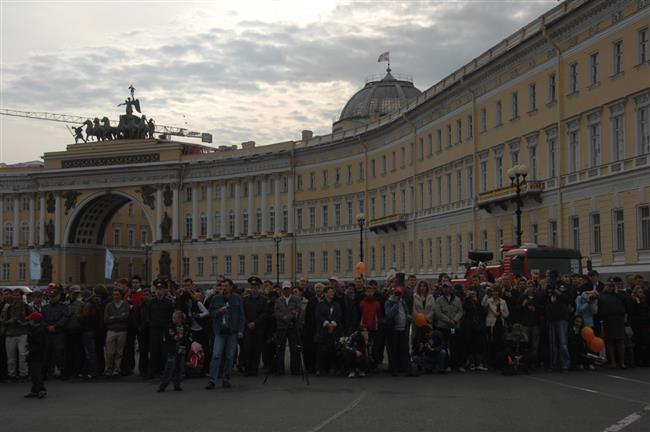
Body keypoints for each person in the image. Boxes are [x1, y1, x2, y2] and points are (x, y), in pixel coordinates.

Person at [206, 279, 244, 389]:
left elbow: (241, 315)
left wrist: (241, 330)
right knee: (216, 355)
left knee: (229, 356)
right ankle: (212, 380)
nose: (224, 288)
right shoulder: (216, 298)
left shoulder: (237, 298)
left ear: (231, 287)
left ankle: (226, 379)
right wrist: (219, 312)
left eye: (226, 286)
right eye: (222, 286)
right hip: (220, 331)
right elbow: (211, 313)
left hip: (232, 331)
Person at [1, 288, 31, 381]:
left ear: (21, 296)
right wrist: (9, 321)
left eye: (17, 295)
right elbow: (3, 321)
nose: (15, 297)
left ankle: (23, 374)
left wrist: (23, 323)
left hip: (22, 333)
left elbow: (32, 319)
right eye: (14, 295)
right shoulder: (8, 308)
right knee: (11, 357)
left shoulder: (26, 307)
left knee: (23, 356)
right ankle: (11, 374)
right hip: (10, 333)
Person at [434, 282, 464, 372]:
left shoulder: (457, 299)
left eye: (448, 288)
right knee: (444, 347)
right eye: (444, 288)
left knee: (456, 346)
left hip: (455, 326)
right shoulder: (439, 299)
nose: (446, 289)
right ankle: (447, 365)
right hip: (443, 326)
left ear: (451, 289)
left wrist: (454, 320)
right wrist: (448, 320)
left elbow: (460, 311)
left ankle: (457, 365)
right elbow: (438, 312)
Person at [273, 281, 302, 376]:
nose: (286, 290)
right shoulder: (278, 300)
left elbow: (298, 310)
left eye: (288, 288)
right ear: (282, 289)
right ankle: (280, 369)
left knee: (294, 349)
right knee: (280, 348)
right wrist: (285, 317)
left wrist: (289, 317)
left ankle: (294, 369)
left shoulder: (296, 299)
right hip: (281, 327)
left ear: (290, 289)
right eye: (285, 289)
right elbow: (276, 312)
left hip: (293, 327)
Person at [147, 280, 174, 379]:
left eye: (161, 289)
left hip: (164, 330)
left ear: (165, 290)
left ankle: (164, 371)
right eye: (158, 289)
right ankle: (152, 371)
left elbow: (171, 316)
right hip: (154, 329)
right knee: (153, 350)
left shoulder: (168, 303)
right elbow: (149, 315)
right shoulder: (152, 302)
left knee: (164, 351)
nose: (159, 291)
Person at [158, 310, 190, 392]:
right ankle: (163, 385)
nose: (173, 319)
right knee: (169, 367)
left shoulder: (185, 327)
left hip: (181, 349)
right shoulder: (169, 326)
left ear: (180, 319)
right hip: (172, 349)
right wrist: (177, 338)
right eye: (173, 317)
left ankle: (177, 385)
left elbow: (187, 338)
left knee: (179, 367)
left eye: (175, 318)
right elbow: (170, 337)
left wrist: (181, 338)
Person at [242, 276, 268, 376]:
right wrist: (247, 323)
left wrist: (255, 323)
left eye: (256, 287)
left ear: (259, 288)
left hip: (259, 328)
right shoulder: (245, 299)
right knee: (247, 349)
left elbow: (264, 314)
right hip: (248, 328)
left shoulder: (264, 300)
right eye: (252, 287)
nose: (254, 289)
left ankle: (254, 369)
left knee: (257, 350)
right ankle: (247, 369)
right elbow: (242, 313)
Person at [598, 281, 628, 369]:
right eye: (608, 286)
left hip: (619, 319)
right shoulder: (602, 295)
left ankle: (622, 362)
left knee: (620, 341)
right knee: (610, 341)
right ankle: (613, 362)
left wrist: (617, 292)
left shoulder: (619, 295)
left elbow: (626, 302)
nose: (610, 287)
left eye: (612, 286)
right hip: (608, 319)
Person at [42, 288, 69, 378]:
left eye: (54, 297)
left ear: (58, 297)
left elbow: (65, 318)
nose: (52, 298)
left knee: (59, 353)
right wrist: (47, 327)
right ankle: (46, 372)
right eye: (50, 297)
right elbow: (42, 319)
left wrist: (56, 326)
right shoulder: (45, 308)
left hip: (59, 333)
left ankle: (62, 371)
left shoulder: (63, 307)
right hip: (48, 333)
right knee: (47, 353)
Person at [315, 286, 343, 375]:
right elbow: (318, 315)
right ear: (325, 293)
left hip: (334, 329)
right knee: (322, 350)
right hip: (323, 329)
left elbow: (339, 315)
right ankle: (321, 369)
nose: (332, 293)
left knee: (334, 349)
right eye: (330, 292)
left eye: (333, 292)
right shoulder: (320, 304)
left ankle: (333, 368)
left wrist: (333, 324)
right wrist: (327, 323)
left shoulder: (336, 304)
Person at [384, 286, 411, 376]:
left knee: (404, 349)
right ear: (393, 293)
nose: (398, 295)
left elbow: (406, 312)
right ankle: (394, 370)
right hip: (393, 329)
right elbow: (389, 315)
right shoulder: (389, 302)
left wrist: (408, 318)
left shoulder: (403, 302)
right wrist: (395, 304)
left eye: (399, 294)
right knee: (393, 350)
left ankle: (407, 369)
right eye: (396, 293)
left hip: (403, 329)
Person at [103, 289, 130, 377]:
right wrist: (118, 317)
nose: (115, 296)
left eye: (117, 295)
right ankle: (108, 368)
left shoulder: (125, 305)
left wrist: (113, 317)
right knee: (110, 352)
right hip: (111, 331)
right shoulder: (109, 306)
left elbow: (125, 317)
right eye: (114, 295)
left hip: (122, 331)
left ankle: (117, 369)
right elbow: (106, 319)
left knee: (119, 352)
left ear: (121, 295)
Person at [483, 286, 509, 368]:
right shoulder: (488, 300)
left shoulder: (503, 301)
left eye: (496, 291)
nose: (495, 293)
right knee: (491, 343)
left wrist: (501, 313)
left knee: (499, 343)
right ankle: (491, 362)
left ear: (499, 293)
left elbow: (507, 314)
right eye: (493, 291)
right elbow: (483, 304)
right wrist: (486, 295)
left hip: (500, 324)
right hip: (491, 324)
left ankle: (498, 362)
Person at [24, 312, 47, 399]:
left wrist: (29, 351)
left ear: (34, 321)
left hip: (37, 355)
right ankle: (34, 390)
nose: (29, 321)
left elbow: (38, 345)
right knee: (33, 373)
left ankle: (41, 389)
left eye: (30, 320)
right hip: (34, 355)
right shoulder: (33, 329)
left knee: (36, 373)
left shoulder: (39, 331)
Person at [628, 285, 649, 366]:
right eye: (639, 292)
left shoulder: (644, 300)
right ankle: (637, 360)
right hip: (636, 324)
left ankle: (645, 360)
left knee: (645, 342)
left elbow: (646, 311)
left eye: (641, 292)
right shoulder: (633, 301)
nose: (641, 293)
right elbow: (631, 312)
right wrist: (636, 301)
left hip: (644, 323)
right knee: (638, 343)